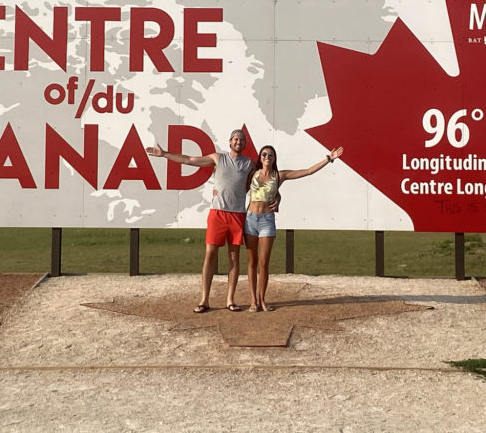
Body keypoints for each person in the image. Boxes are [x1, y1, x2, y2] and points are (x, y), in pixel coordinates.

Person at [147, 129, 255, 313]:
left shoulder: (249, 164)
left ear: (244, 144)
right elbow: (189, 160)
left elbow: (262, 182)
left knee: (234, 257)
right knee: (210, 254)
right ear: (230, 142)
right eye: (236, 139)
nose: (238, 142)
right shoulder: (217, 158)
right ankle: (204, 300)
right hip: (217, 214)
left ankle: (230, 299)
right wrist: (164, 154)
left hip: (237, 214)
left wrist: (275, 197)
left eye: (241, 140)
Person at [245, 144, 344, 312]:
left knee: (264, 263)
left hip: (267, 221)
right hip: (250, 220)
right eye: (264, 154)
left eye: (270, 155)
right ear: (260, 157)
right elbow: (233, 183)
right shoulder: (252, 173)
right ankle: (253, 300)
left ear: (274, 158)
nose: (267, 157)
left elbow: (307, 171)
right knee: (252, 262)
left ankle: (262, 299)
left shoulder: (279, 176)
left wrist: (328, 159)